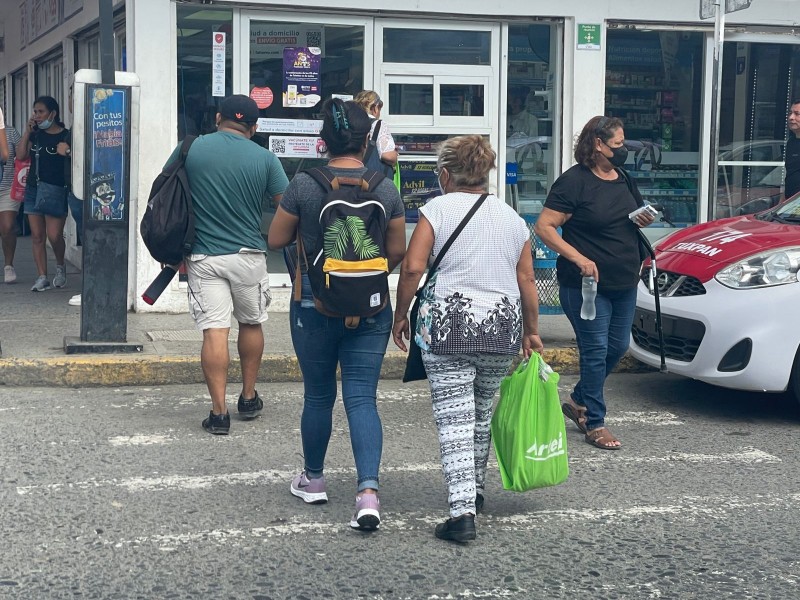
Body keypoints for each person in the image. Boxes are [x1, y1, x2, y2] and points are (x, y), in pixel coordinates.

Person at [392, 134, 543, 543]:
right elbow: (526, 278)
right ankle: (474, 491)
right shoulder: (513, 218)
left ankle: (461, 514)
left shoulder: (435, 210)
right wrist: (531, 330)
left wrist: (401, 314)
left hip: (448, 329)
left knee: (454, 419)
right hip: (501, 329)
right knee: (479, 413)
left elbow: (412, 269)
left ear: (445, 174)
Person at [268, 98, 405, 531]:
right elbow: (397, 251)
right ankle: (368, 493)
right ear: (367, 140)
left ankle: (313, 479)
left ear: (322, 140)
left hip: (313, 302)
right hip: (371, 306)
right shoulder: (384, 186)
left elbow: (275, 238)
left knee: (319, 396)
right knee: (363, 397)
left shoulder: (305, 183)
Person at [167, 94, 289, 435]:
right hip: (249, 255)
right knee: (251, 323)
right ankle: (248, 398)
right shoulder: (265, 158)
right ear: (254, 126)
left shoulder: (190, 148)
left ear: (218, 117)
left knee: (214, 331)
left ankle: (218, 413)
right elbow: (287, 203)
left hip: (204, 256)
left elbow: (166, 185)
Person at [534, 116, 654, 451]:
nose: (623, 151)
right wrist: (579, 258)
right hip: (585, 285)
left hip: (624, 280)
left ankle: (578, 399)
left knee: (617, 347)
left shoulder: (624, 178)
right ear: (597, 145)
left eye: (624, 145)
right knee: (596, 350)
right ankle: (594, 421)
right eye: (617, 145)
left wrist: (642, 217)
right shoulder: (573, 183)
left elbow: (630, 215)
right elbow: (544, 227)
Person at [17, 96, 71, 292]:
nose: (37, 116)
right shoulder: (35, 135)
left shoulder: (65, 135)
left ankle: (60, 267)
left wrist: (67, 151)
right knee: (37, 236)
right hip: (33, 188)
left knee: (54, 235)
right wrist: (27, 132)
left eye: (41, 112)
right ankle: (42, 277)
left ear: (53, 113)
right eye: (35, 112)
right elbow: (21, 155)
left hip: (55, 188)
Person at [0, 109, 22, 283]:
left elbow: (21, 154)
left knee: (7, 227)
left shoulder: (10, 131)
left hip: (7, 187)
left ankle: (9, 265)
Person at [354, 90, 398, 167]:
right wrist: (394, 154)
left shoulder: (351, 122)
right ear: (375, 108)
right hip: (373, 176)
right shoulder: (378, 125)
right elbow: (388, 156)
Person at [785, 99, 800, 199]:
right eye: (790, 113)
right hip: (790, 207)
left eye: (797, 114)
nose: (791, 117)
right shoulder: (791, 142)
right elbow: (790, 175)